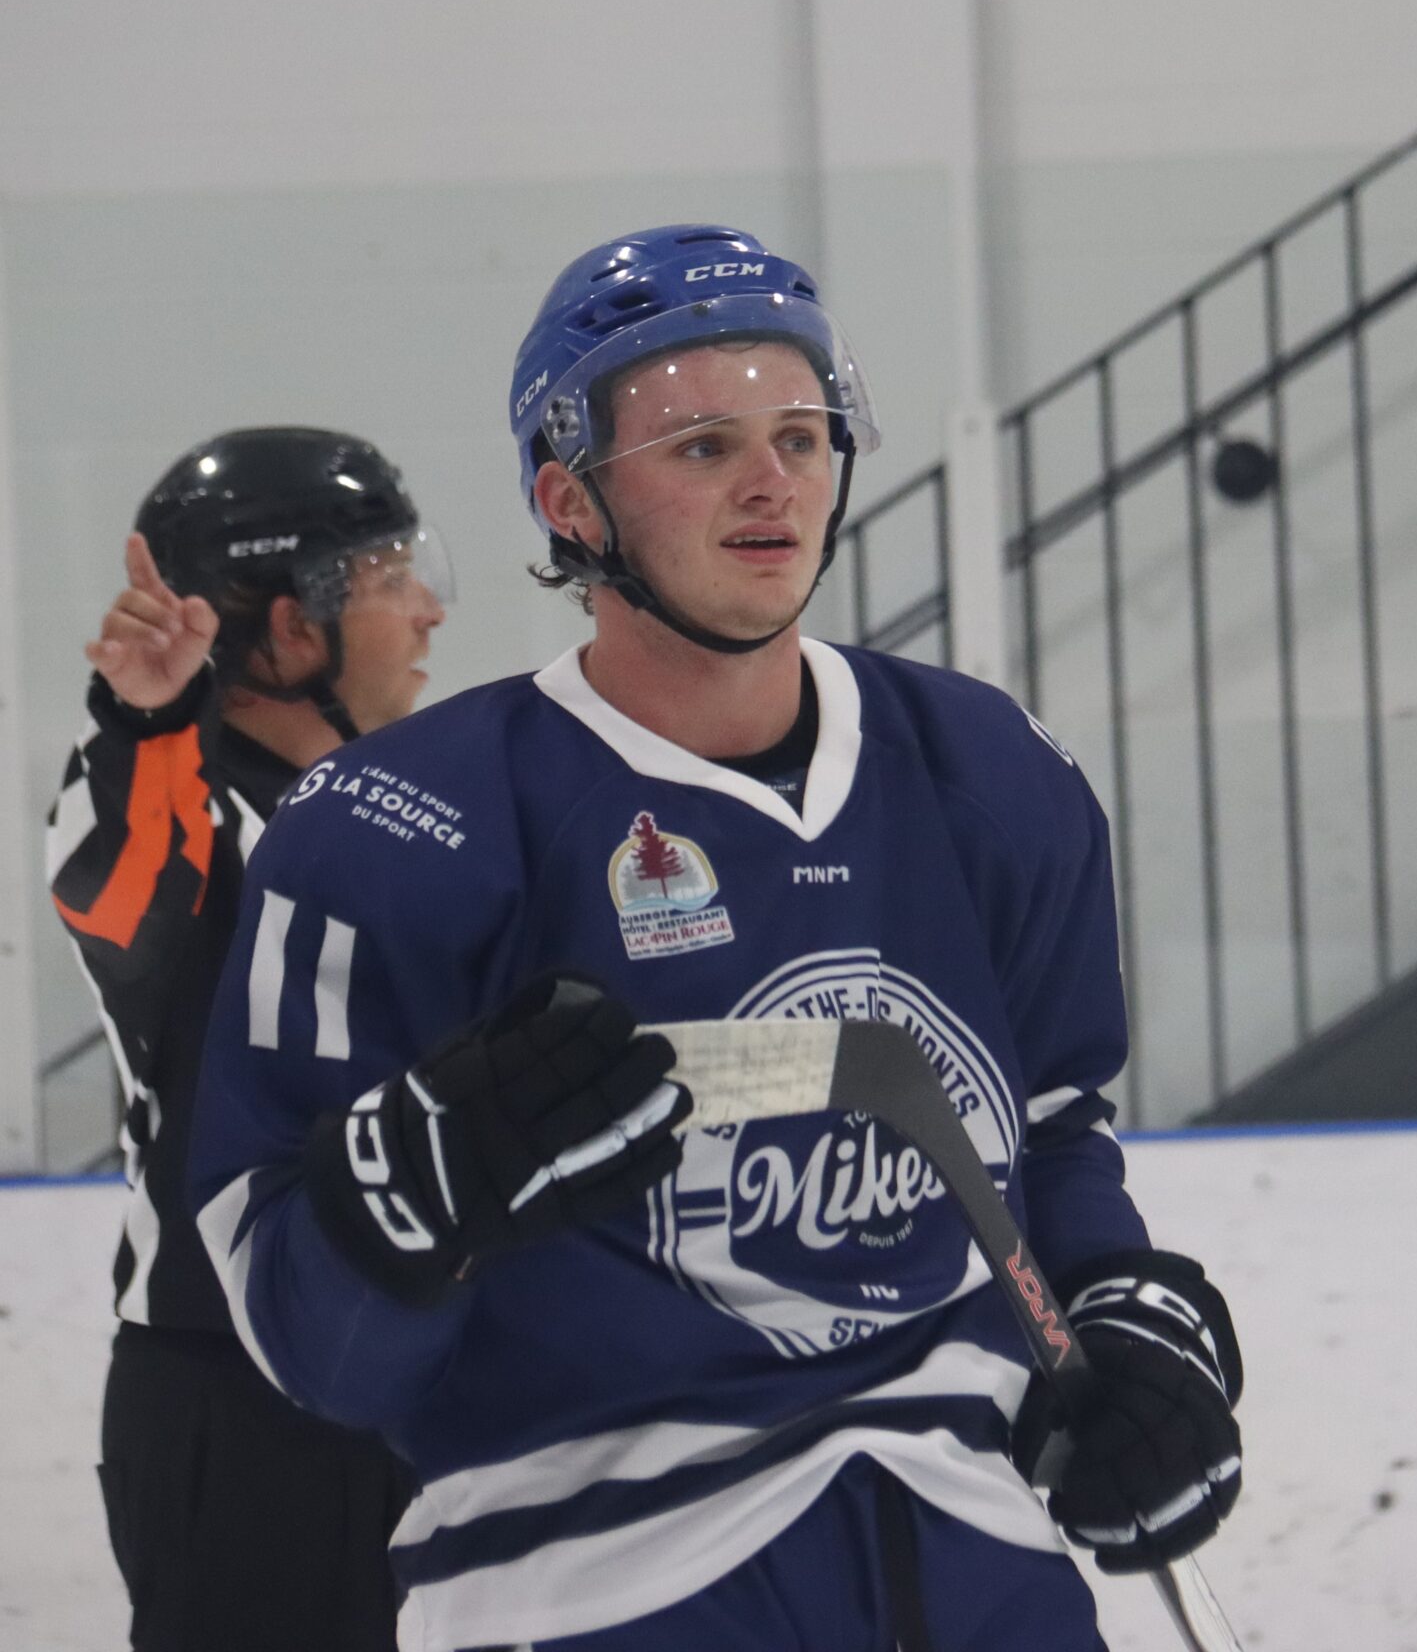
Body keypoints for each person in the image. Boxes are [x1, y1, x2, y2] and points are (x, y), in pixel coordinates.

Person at [187, 228, 1243, 1651]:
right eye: (702, 447)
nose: (774, 483)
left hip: (978, 1550)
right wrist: (401, 1215)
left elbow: (1051, 1136)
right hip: (592, 1579)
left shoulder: (989, 772)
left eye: (803, 435)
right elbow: (311, 1345)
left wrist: (1122, 1333)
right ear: (571, 501)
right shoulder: (400, 830)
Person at [49, 427, 452, 1652]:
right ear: (288, 628)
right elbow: (122, 882)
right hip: (240, 1403)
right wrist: (143, 717)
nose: (430, 610)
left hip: (425, 1377)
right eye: (390, 579)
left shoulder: (412, 804)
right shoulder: (176, 797)